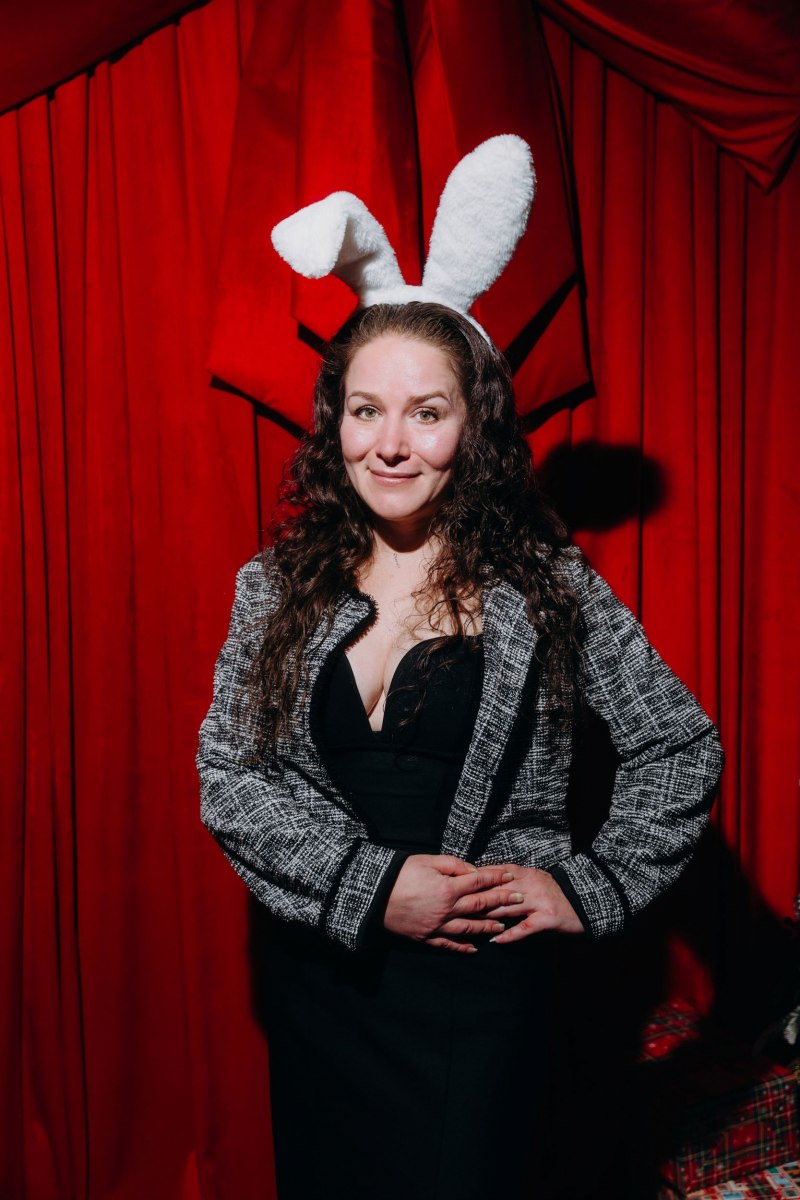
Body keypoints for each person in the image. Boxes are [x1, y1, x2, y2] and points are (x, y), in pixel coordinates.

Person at [196, 139, 724, 1200]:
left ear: (472, 427)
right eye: (366, 409)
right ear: (336, 421)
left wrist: (587, 885)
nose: (389, 445)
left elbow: (677, 745)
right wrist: (370, 886)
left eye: (425, 412)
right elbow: (230, 775)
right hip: (322, 980)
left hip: (475, 1000)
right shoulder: (273, 586)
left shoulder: (543, 586)